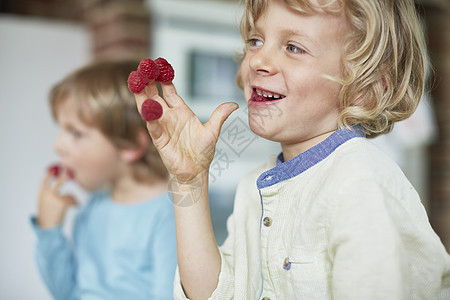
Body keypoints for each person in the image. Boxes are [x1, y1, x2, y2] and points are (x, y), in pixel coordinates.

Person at [132, 0, 450, 299]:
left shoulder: (361, 185)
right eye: (255, 41)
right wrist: (189, 180)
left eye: (293, 47)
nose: (257, 60)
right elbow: (217, 293)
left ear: (364, 89)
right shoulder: (253, 188)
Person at [31, 60, 177, 300]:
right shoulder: (94, 206)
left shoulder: (169, 213)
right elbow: (65, 292)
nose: (58, 146)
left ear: (129, 145)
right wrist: (49, 230)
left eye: (76, 133)